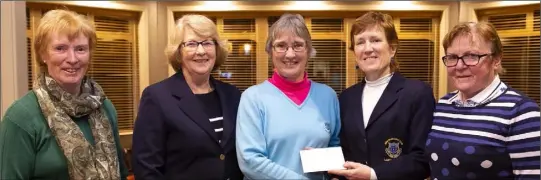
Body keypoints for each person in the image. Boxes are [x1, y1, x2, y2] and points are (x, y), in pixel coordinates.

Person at [0, 9, 128, 180]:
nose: (72, 59)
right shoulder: (21, 116)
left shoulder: (105, 107)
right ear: (43, 54)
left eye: (81, 49)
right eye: (60, 48)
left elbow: (121, 173)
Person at [131, 14, 243, 179]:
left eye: (207, 43)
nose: (201, 51)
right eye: (191, 44)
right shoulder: (157, 97)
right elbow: (146, 169)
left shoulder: (232, 95)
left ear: (216, 49)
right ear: (178, 51)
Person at [426, 22, 540, 180]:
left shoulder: (521, 112)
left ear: (496, 60)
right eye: (452, 57)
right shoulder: (444, 104)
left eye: (471, 56)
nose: (459, 66)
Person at [328, 11, 435, 180]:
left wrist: (373, 175)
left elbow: (423, 159)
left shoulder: (417, 93)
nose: (368, 48)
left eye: (375, 40)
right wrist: (319, 159)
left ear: (392, 48)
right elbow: (345, 153)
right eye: (360, 42)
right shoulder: (346, 98)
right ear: (354, 52)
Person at [235, 13, 341, 180]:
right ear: (270, 51)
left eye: (298, 45)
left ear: (308, 50)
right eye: (281, 46)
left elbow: (335, 147)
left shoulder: (328, 96)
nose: (290, 54)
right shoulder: (253, 98)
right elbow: (250, 161)